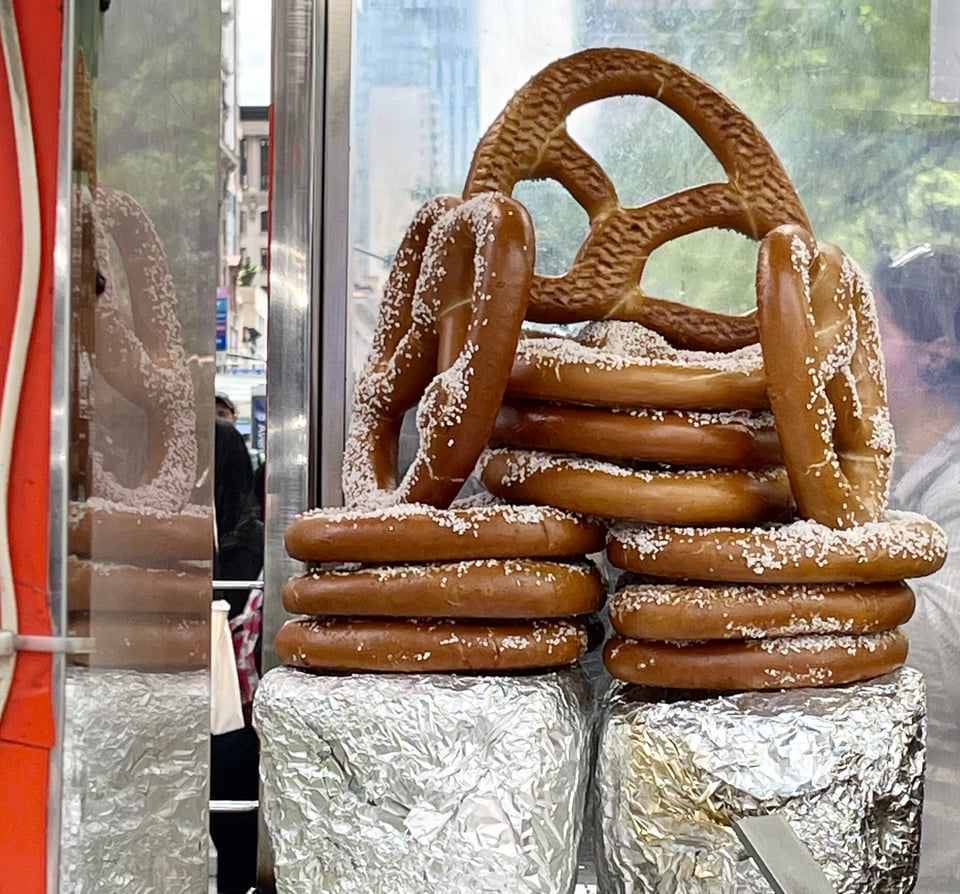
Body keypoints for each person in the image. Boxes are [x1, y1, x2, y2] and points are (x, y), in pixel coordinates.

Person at [873, 244, 960, 894]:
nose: (846, 338)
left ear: (936, 350)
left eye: (870, 321)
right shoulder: (890, 473)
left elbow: (940, 647)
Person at [211, 416, 264, 893]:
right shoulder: (263, 545)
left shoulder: (184, 546)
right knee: (238, 847)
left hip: (193, 713)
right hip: (244, 724)